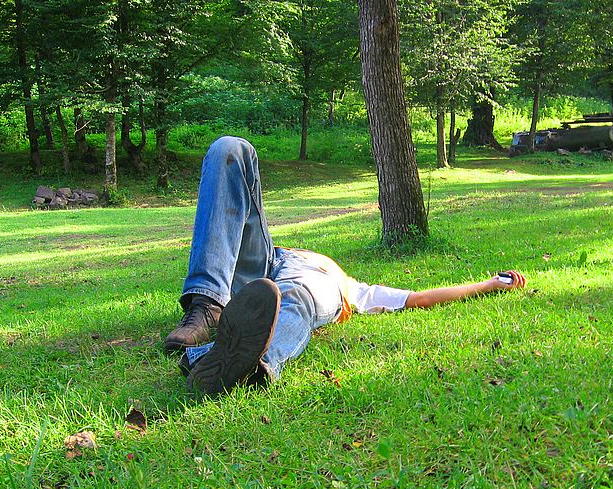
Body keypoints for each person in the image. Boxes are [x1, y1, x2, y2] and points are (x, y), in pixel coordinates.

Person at [165, 136, 526, 394]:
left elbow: (420, 298)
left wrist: (489, 285)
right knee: (231, 149)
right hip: (264, 263)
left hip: (309, 284)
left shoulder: (355, 290)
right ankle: (207, 305)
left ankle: (233, 363)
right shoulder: (289, 258)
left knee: (297, 296)